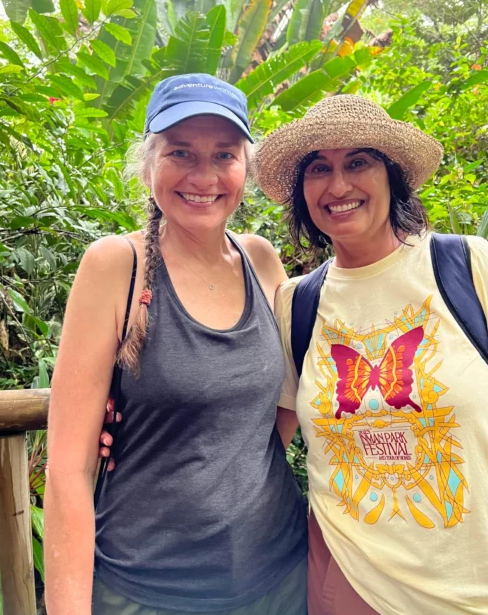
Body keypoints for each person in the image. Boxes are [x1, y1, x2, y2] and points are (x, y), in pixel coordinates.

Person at [253, 94, 488, 615]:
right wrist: (132, 428)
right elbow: (258, 439)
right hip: (353, 588)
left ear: (392, 176)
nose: (338, 185)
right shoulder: (295, 304)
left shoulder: (467, 267)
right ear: (302, 191)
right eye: (319, 167)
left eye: (358, 162)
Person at [45, 74, 308, 615]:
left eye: (224, 156)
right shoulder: (116, 266)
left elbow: (283, 403)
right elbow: (68, 470)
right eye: (181, 152)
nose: (204, 176)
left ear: (246, 169)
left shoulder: (262, 261)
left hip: (279, 573)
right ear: (148, 164)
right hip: (148, 588)